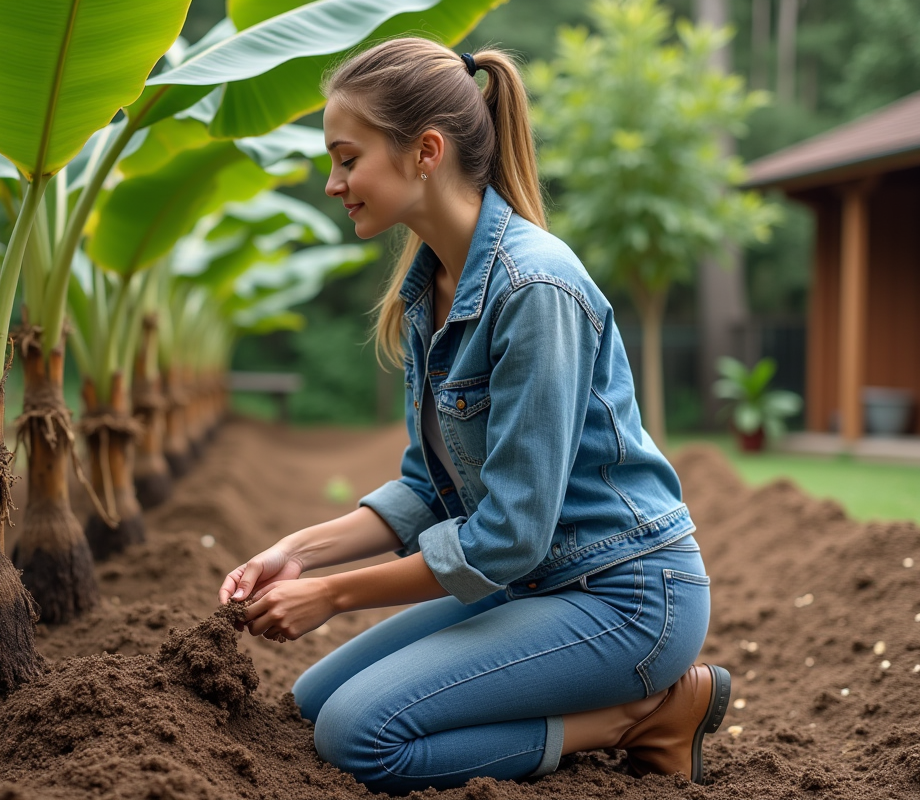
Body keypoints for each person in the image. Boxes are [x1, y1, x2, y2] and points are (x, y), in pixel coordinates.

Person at [218, 38, 730, 795]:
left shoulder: (534, 287)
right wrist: (297, 553)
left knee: (359, 736)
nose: (333, 183)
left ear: (426, 151)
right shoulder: (433, 288)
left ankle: (637, 716)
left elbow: (511, 534)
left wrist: (334, 594)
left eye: (347, 158)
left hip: (626, 600)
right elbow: (429, 486)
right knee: (310, 706)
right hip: (536, 587)